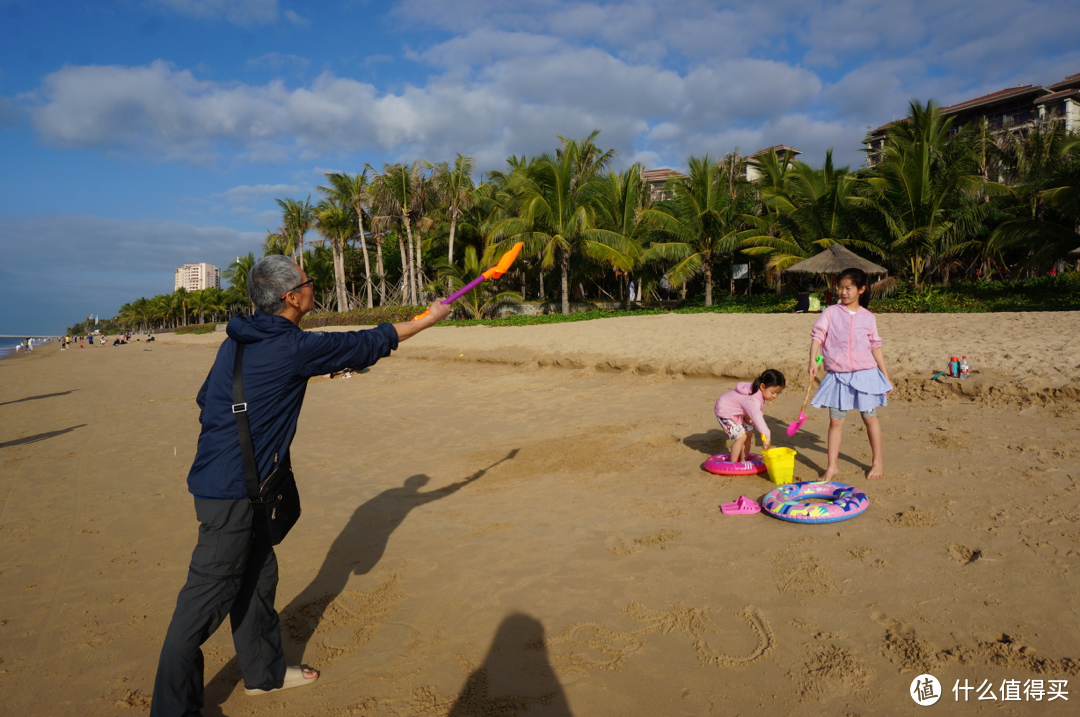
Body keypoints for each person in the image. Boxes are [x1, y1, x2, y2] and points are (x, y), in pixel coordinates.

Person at [149, 256, 449, 717]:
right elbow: (369, 341)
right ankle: (172, 710)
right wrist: (429, 320)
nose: (313, 287)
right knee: (201, 604)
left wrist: (281, 388)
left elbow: (206, 397)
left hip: (226, 483)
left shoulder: (239, 340)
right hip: (231, 494)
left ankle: (264, 675)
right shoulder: (293, 348)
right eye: (308, 282)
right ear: (292, 297)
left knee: (257, 579)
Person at [808, 267, 893, 481]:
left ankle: (877, 461)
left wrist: (885, 377)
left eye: (849, 288)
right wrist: (813, 361)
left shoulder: (868, 317)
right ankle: (832, 467)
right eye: (840, 288)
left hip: (865, 375)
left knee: (869, 418)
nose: (843, 292)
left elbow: (876, 346)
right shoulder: (830, 312)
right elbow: (818, 336)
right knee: (836, 421)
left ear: (861, 289)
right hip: (838, 376)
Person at [713, 369, 786, 463]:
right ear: (762, 386)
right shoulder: (754, 399)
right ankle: (733, 463)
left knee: (749, 432)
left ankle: (744, 460)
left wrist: (748, 417)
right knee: (741, 437)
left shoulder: (758, 392)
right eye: (773, 392)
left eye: (778, 393)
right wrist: (766, 435)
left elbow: (746, 406)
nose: (775, 395)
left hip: (736, 412)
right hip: (724, 411)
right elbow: (757, 416)